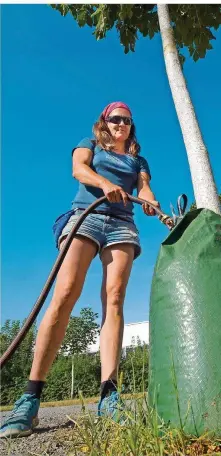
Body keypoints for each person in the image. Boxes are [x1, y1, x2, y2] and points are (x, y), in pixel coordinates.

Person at [0, 101, 167, 438]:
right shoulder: (88, 144)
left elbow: (144, 185)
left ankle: (108, 395)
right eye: (115, 119)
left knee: (115, 298)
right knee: (65, 294)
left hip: (122, 224)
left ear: (132, 126)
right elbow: (79, 170)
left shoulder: (138, 159)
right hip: (86, 215)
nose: (121, 124)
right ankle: (30, 397)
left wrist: (148, 198)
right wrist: (105, 185)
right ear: (104, 122)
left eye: (127, 120)